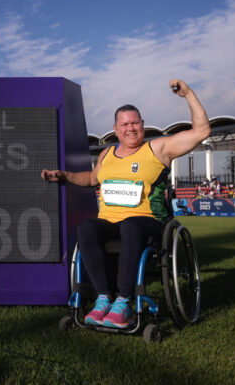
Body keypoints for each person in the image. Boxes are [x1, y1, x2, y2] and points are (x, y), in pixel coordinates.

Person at [41, 79, 210, 328]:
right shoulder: (107, 154)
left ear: (142, 124)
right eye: (125, 124)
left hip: (149, 223)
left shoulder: (158, 148)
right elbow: (91, 178)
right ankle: (103, 298)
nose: (131, 128)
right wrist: (65, 175)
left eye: (135, 123)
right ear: (115, 128)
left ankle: (124, 302)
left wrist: (189, 95)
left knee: (131, 225)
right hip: (111, 223)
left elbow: (202, 131)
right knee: (87, 227)